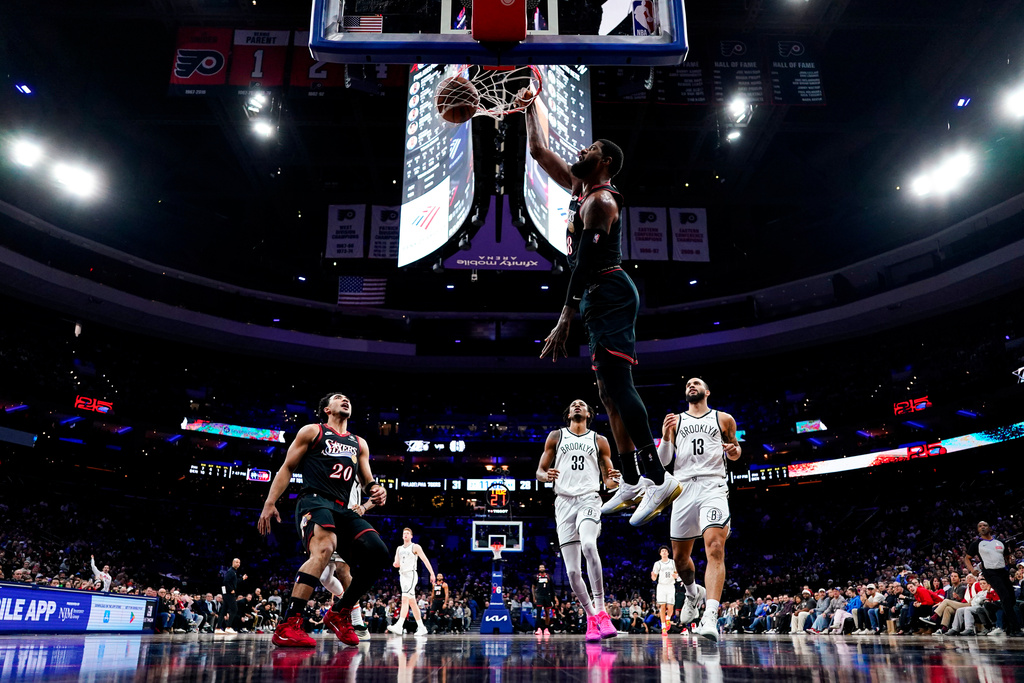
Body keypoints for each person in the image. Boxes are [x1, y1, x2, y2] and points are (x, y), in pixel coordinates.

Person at [523, 97, 681, 528]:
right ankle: (630, 481)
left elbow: (587, 263)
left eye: (589, 149)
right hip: (596, 293)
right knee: (607, 394)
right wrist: (529, 106)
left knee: (617, 382)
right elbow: (539, 152)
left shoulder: (601, 203)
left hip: (608, 290)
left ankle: (658, 477)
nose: (580, 151)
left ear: (605, 161)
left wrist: (565, 315)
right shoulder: (582, 189)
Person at [258, 392, 390, 647]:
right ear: (326, 409)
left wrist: (377, 489)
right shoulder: (313, 431)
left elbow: (367, 481)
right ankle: (289, 624)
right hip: (314, 500)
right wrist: (270, 502)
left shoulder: (359, 443)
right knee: (325, 547)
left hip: (342, 508)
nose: (345, 400)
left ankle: (340, 613)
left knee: (379, 553)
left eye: (348, 398)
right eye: (338, 398)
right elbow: (287, 467)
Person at [657, 377, 742, 642]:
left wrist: (733, 450)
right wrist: (665, 436)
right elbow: (664, 461)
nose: (691, 386)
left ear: (707, 391)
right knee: (681, 560)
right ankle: (694, 593)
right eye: (688, 385)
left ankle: (711, 616)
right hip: (682, 490)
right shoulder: (676, 420)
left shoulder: (724, 418)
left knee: (715, 547)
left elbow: (736, 452)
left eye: (697, 383)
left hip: (712, 486)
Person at [536, 399, 620, 642]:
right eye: (573, 404)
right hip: (563, 502)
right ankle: (591, 617)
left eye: (582, 404)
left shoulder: (599, 440)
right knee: (572, 572)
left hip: (589, 499)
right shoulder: (556, 436)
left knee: (589, 545)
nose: (577, 405)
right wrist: (545, 476)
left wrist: (617, 479)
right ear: (568, 413)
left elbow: (609, 480)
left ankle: (602, 610)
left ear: (588, 413)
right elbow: (540, 471)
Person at [318, 493, 377, 641]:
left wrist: (364, 507)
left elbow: (378, 494)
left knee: (342, 570)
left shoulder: (357, 470)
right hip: (327, 522)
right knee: (324, 578)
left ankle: (358, 623)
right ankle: (348, 605)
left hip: (347, 524)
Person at [961, 520, 1023, 636]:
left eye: (985, 525)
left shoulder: (1000, 542)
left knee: (1011, 598)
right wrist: (972, 570)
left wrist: (1010, 560)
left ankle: (1008, 627)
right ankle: (1015, 628)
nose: (982, 527)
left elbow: (1007, 556)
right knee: (1004, 596)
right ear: (978, 530)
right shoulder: (977, 544)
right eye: (980, 526)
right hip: (990, 572)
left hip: (1002, 571)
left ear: (989, 528)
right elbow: (967, 558)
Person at [387, 528, 435, 636]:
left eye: (408, 533)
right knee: (412, 602)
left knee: (404, 599)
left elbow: (425, 559)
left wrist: (432, 573)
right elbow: (396, 563)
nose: (405, 535)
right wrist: (395, 564)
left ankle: (399, 625)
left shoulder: (415, 547)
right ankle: (422, 627)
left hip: (411, 575)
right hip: (402, 576)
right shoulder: (399, 548)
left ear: (411, 536)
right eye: (404, 533)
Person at [651, 546, 678, 636]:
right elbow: (654, 577)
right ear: (660, 553)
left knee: (670, 607)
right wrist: (653, 577)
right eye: (662, 551)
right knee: (662, 607)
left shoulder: (673, 562)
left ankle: (668, 618)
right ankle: (663, 628)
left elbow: (676, 573)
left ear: (668, 553)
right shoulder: (657, 564)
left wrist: (676, 576)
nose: (664, 552)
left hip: (670, 586)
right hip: (661, 586)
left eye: (665, 551)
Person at [216, 558, 246, 634]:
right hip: (229, 594)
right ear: (233, 562)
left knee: (223, 611)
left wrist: (242, 579)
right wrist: (230, 589)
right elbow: (225, 581)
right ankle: (228, 627)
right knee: (234, 609)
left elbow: (234, 582)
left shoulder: (233, 572)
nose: (238, 564)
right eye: (236, 562)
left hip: (227, 594)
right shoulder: (231, 572)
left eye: (239, 562)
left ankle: (218, 628)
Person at [532, 564, 556, 635]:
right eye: (540, 567)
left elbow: (552, 588)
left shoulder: (549, 577)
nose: (541, 568)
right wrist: (534, 597)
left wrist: (553, 598)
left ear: (545, 568)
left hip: (547, 596)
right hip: (539, 596)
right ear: (539, 569)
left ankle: (546, 628)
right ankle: (539, 628)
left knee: (547, 613)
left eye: (543, 567)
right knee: (538, 613)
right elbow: (533, 587)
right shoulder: (536, 577)